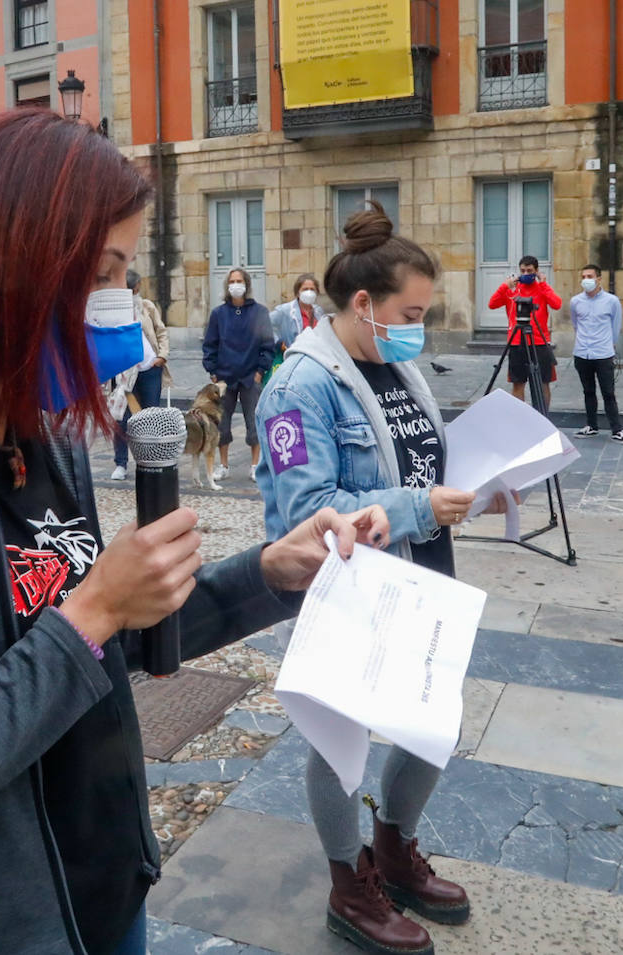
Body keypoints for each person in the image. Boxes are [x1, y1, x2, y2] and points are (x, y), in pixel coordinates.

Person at [0, 109, 389, 955]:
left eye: (124, 276)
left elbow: (109, 648)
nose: (118, 310)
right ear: (2, 266)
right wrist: (89, 612)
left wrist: (272, 574)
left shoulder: (40, 436)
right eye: (100, 275)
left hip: (103, 888)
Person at [255, 201, 511, 955]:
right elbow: (308, 510)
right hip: (346, 582)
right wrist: (417, 505)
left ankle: (395, 849)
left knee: (437, 717)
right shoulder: (299, 386)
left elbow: (420, 459)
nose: (418, 327)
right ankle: (349, 883)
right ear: (363, 304)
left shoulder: (392, 361)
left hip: (418, 571)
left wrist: (479, 480)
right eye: (410, 311)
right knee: (341, 737)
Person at [203, 267, 274, 482]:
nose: (236, 284)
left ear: (246, 285)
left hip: (251, 376)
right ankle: (223, 465)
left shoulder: (259, 312)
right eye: (232, 281)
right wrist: (213, 372)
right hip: (225, 378)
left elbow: (267, 344)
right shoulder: (218, 314)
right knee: (222, 424)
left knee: (254, 422)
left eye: (239, 280)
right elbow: (210, 344)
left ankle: (255, 465)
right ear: (227, 285)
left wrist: (260, 372)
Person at [110, 269, 171, 480]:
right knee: (122, 418)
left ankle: (150, 460)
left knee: (151, 416)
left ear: (137, 287)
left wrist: (162, 356)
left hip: (150, 368)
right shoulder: (116, 311)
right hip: (125, 372)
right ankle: (121, 463)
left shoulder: (147, 307)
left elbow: (161, 331)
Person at [487, 255, 563, 408]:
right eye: (523, 271)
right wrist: (505, 286)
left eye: (529, 271)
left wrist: (543, 284)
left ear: (536, 271)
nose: (526, 274)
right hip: (517, 342)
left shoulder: (541, 288)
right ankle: (520, 419)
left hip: (539, 342)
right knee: (518, 384)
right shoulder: (513, 289)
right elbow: (492, 304)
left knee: (543, 383)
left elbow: (557, 304)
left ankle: (542, 417)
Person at [569, 264, 623, 443]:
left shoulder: (611, 301)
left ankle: (616, 429)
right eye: (583, 276)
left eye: (590, 276)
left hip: (603, 353)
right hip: (582, 353)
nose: (586, 280)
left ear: (599, 278)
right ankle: (591, 425)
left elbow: (615, 325)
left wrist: (609, 346)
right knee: (588, 391)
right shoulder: (576, 302)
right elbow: (575, 324)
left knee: (608, 392)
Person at [270, 273, 327, 350]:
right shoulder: (285, 310)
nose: (309, 292)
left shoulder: (318, 311)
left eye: (312, 289)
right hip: (293, 356)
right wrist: (278, 343)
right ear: (297, 292)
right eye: (305, 289)